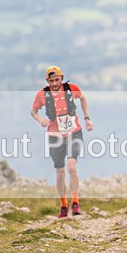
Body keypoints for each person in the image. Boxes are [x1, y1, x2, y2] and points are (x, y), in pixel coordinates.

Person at [31, 65, 94, 218]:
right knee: (60, 172)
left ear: (62, 78)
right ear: (47, 81)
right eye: (51, 81)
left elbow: (83, 98)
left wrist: (87, 119)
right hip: (55, 135)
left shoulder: (72, 88)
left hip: (74, 132)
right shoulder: (42, 95)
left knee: (72, 167)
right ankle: (63, 206)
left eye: (57, 80)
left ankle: (75, 203)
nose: (54, 83)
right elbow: (33, 111)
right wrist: (40, 120)